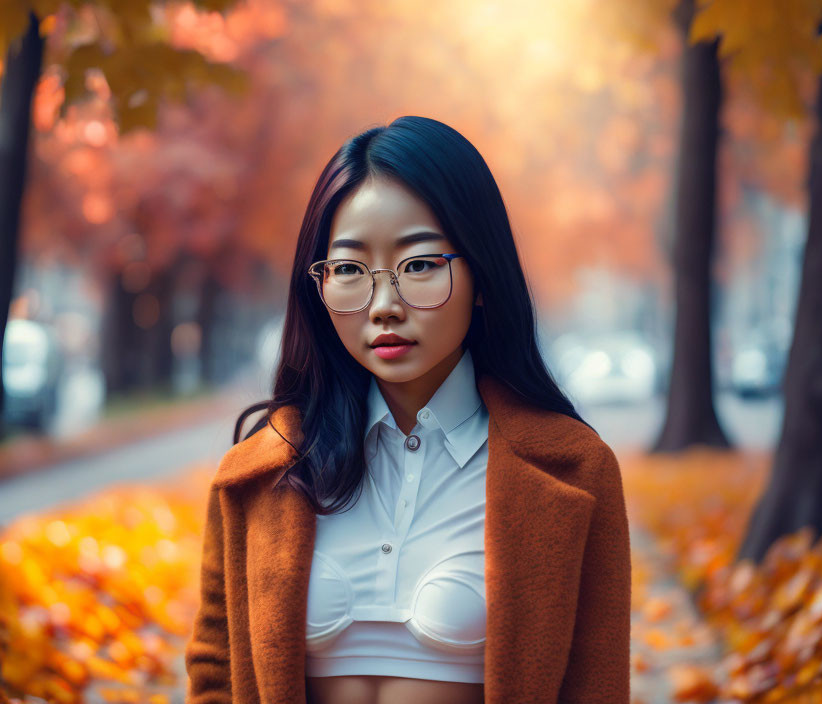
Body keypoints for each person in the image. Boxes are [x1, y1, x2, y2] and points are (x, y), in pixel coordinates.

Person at [184, 115, 631, 704]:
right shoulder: (258, 473)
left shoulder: (573, 472)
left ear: (482, 274)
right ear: (317, 289)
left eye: (419, 264)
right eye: (348, 269)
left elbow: (595, 690)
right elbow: (215, 679)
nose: (384, 305)